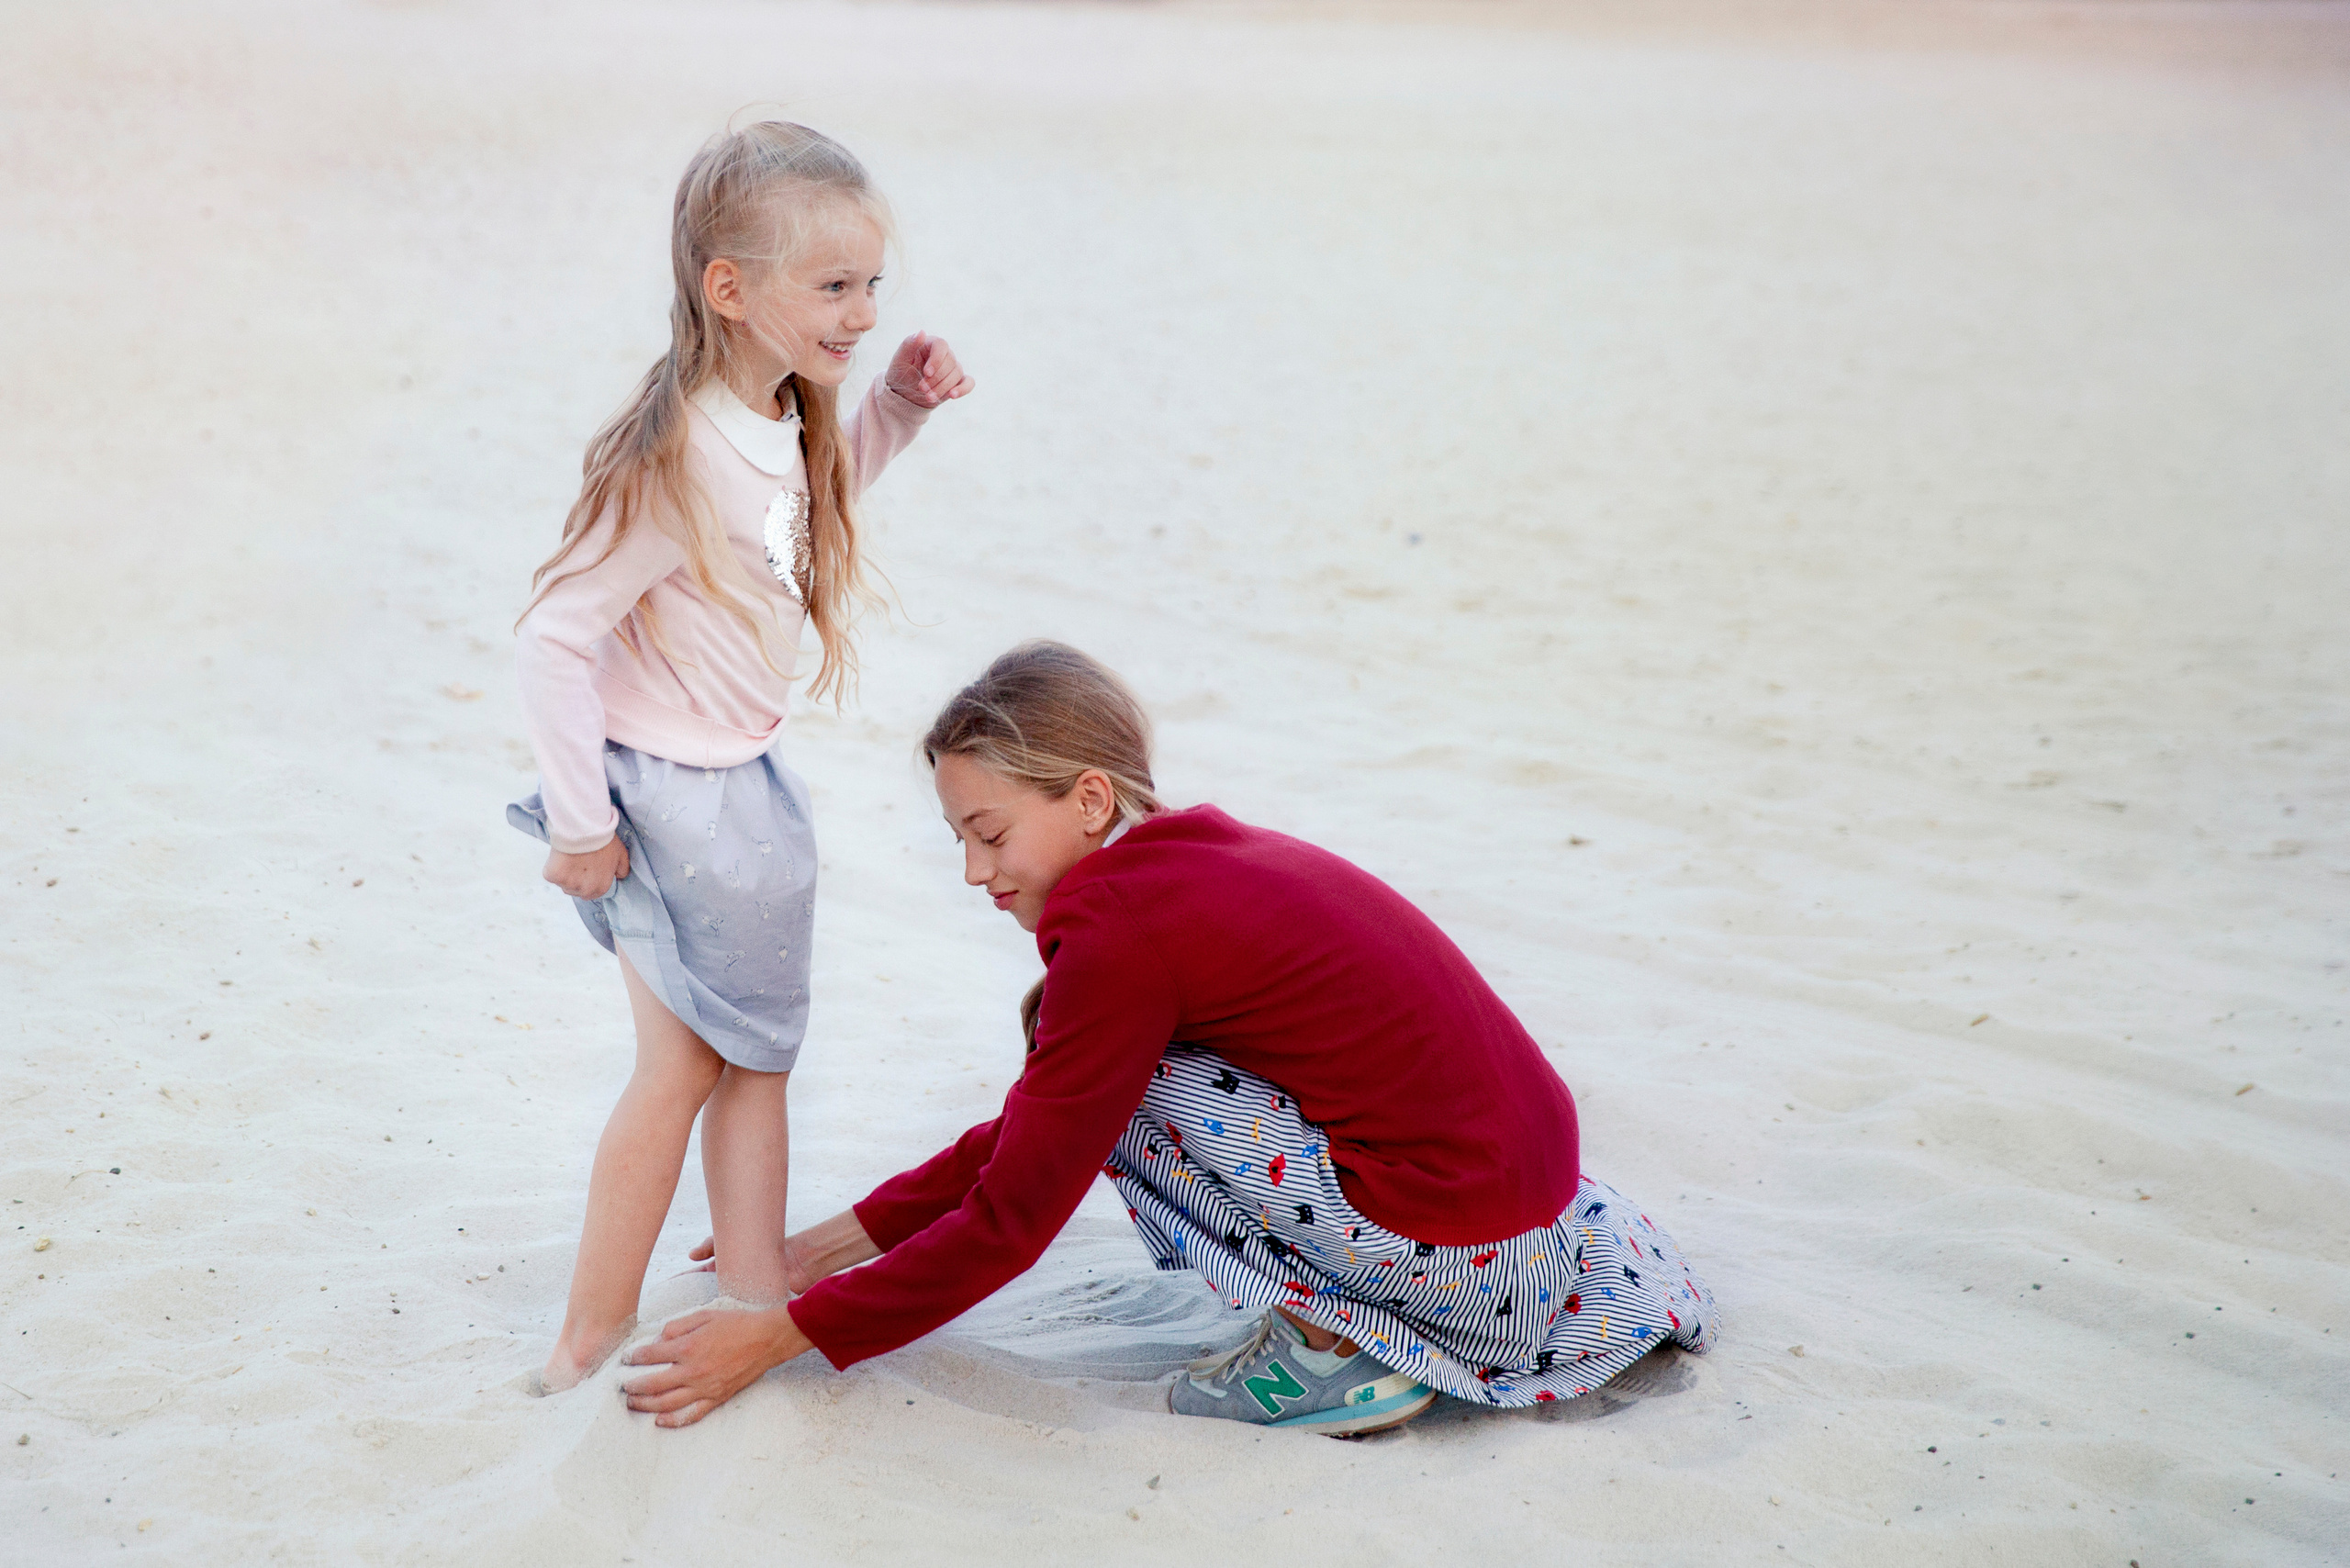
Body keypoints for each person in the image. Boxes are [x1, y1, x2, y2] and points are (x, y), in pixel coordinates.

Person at [621, 642, 1718, 1433]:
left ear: (1090, 797)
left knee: (1131, 1096)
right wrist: (838, 1239)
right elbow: (1043, 1116)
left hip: (1466, 1260)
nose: (971, 871)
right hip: (1534, 1223)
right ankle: (1351, 1327)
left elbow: (1018, 1210)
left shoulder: (1122, 935)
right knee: (1114, 1083)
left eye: (988, 832)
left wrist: (783, 1332)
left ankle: (1341, 1359)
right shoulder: (1193, 857)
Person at [507, 121, 975, 1394]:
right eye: (835, 287)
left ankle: (755, 1303)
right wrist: (579, 824)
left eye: (873, 284)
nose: (865, 310)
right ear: (731, 288)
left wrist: (895, 411)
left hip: (744, 791)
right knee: (684, 1067)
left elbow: (800, 526)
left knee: (757, 1058)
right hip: (664, 797)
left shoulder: (787, 414)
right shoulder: (676, 452)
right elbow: (554, 637)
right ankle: (582, 1343)